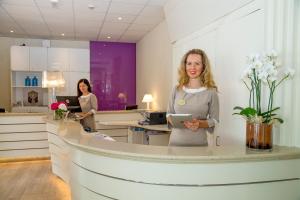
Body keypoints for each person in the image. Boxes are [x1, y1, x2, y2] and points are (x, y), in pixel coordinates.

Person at [167, 49, 219, 146]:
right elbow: (169, 114)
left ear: (203, 66)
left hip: (199, 145)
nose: (192, 67)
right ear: (184, 66)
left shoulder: (211, 91)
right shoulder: (176, 89)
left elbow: (214, 120)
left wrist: (199, 123)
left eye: (197, 64)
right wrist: (176, 121)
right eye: (189, 63)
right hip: (175, 144)